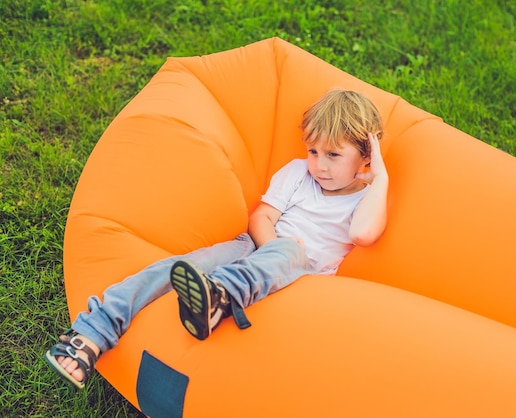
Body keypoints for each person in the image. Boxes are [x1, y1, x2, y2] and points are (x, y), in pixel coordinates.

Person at [44, 88, 389, 389]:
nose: (319, 166)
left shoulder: (365, 198)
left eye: (333, 155)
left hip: (300, 277)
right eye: (314, 151)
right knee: (178, 267)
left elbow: (363, 234)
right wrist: (270, 247)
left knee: (289, 251)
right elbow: (262, 217)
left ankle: (219, 293)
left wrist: (381, 176)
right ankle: (93, 331)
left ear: (365, 155)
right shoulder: (299, 173)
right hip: (253, 248)